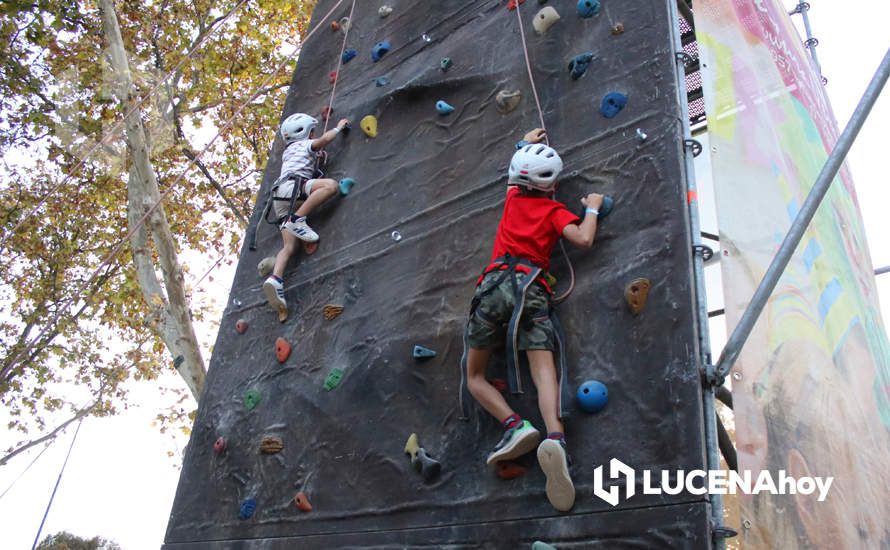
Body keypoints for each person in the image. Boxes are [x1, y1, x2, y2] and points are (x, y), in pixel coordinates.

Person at [462, 128, 603, 512]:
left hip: (493, 286)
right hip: (532, 289)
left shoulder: (512, 199)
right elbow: (584, 240)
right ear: (552, 184)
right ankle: (554, 437)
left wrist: (524, 142)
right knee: (545, 373)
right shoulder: (555, 211)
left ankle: (514, 425)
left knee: (475, 376)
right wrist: (591, 207)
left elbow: (515, 174)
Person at [262, 112, 349, 316]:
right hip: (293, 188)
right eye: (312, 132)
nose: (313, 135)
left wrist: (317, 161)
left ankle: (276, 279)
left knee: (289, 246)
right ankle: (298, 219)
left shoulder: (288, 152)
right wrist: (338, 127)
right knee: (330, 186)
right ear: (305, 133)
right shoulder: (304, 145)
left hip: (280, 197)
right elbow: (323, 141)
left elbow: (307, 161)